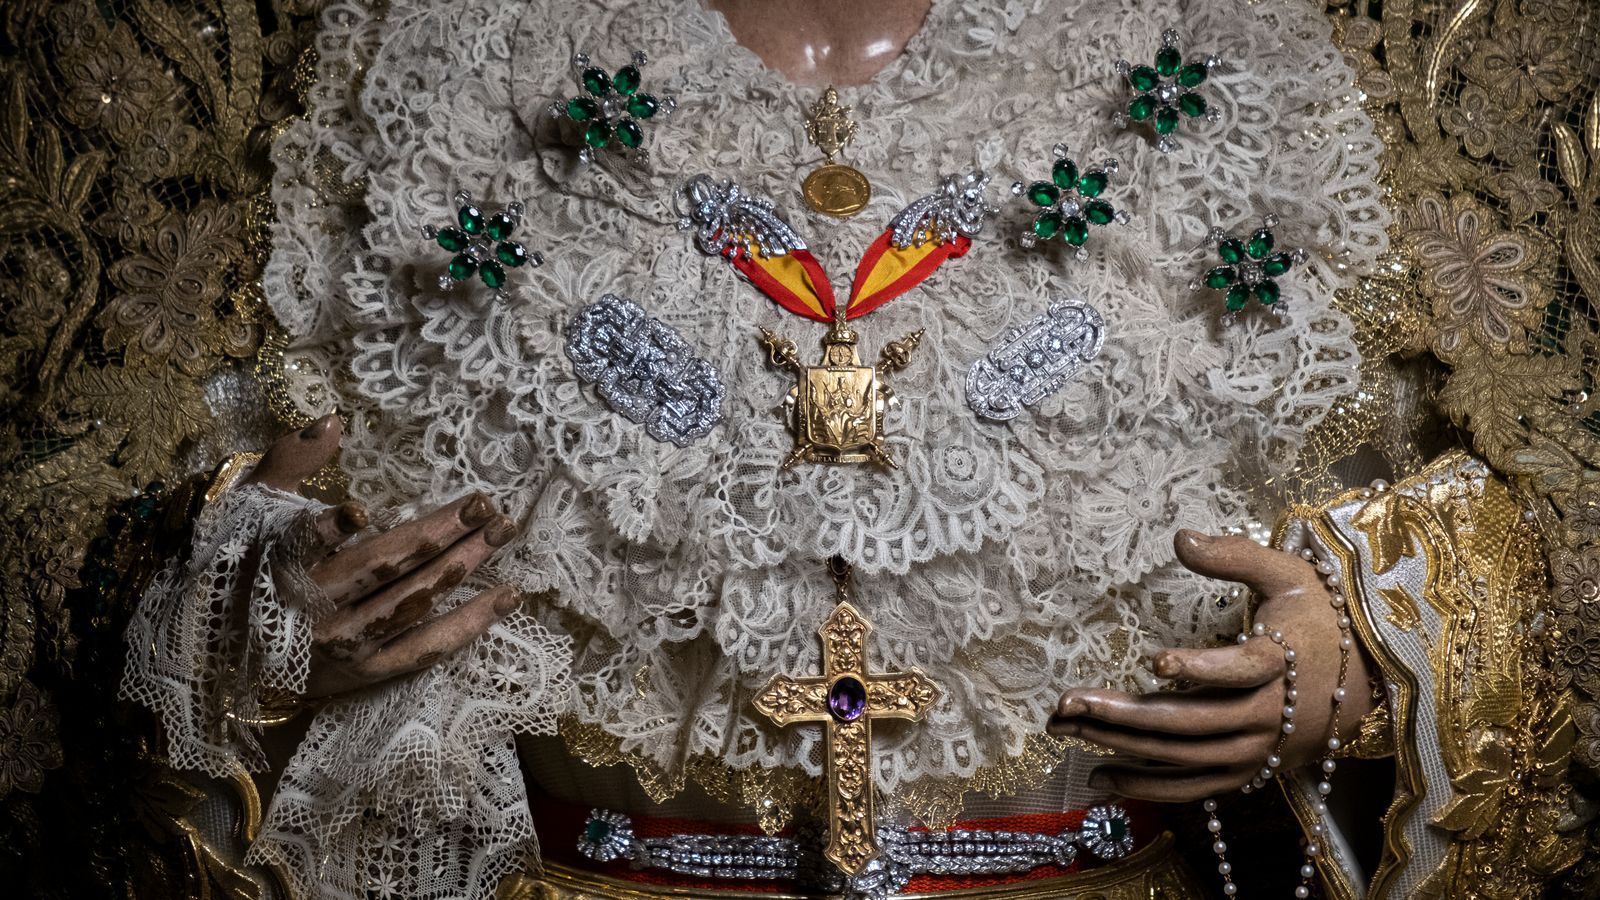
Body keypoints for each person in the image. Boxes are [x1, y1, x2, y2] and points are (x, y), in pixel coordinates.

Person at [119, 0, 1589, 897]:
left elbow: (1523, 518)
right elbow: (159, 514)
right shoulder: (453, 65)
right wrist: (255, 623)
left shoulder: (1225, 59)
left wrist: (1368, 653)